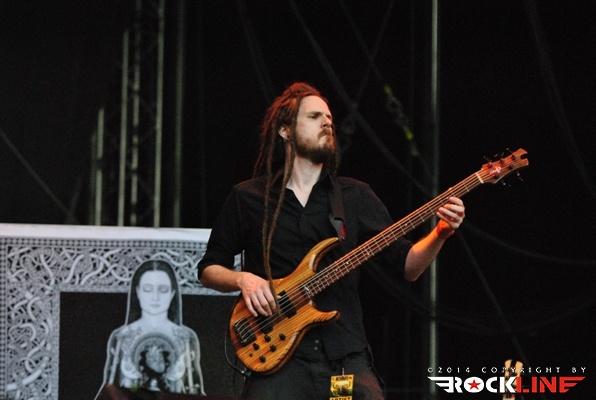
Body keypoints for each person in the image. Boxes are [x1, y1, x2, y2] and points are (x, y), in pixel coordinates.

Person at [196, 82, 465, 400]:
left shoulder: (355, 196)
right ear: (285, 130)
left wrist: (440, 233)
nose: (327, 122)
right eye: (314, 116)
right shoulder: (247, 197)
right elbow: (209, 269)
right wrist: (244, 280)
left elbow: (409, 267)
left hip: (343, 356)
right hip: (278, 359)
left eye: (329, 118)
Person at [98, 260, 206, 396]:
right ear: (138, 292)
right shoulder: (122, 336)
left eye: (163, 290)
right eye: (148, 289)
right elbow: (109, 392)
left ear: (172, 293)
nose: (155, 297)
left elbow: (196, 391)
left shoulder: (186, 337)